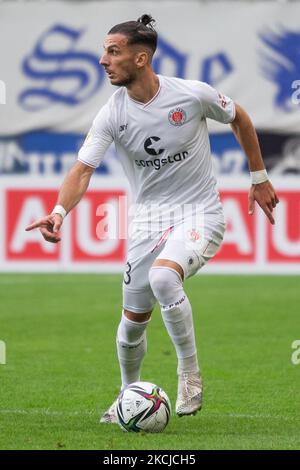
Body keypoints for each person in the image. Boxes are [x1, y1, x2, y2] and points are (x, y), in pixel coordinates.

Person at [26, 14, 279, 421]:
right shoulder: (112, 114)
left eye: (113, 51)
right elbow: (82, 169)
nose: (103, 60)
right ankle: (127, 396)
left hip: (201, 212)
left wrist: (259, 177)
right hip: (146, 222)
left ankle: (190, 375)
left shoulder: (191, 95)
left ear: (141, 59)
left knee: (164, 277)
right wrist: (58, 212)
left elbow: (240, 119)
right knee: (132, 324)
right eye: (104, 51)